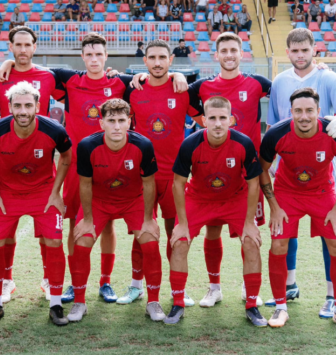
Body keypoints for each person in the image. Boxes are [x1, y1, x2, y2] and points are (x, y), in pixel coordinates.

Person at [0, 33, 188, 305]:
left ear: (106, 56)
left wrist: (177, 74)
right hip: (77, 165)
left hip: (114, 164)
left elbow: (155, 79)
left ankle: (105, 282)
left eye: (99, 54)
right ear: (82, 57)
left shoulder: (120, 82)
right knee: (76, 222)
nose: (95, 59)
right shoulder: (69, 79)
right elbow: (28, 67)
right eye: (89, 54)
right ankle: (75, 283)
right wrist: (6, 62)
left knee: (107, 224)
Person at [266, 28, 336, 318]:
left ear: (314, 50)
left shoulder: (328, 77)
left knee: (329, 234)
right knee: (285, 231)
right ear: (288, 53)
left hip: (322, 170)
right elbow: (273, 125)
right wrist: (272, 164)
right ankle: (289, 285)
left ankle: (333, 296)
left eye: (304, 50)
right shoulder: (280, 81)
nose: (299, 56)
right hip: (287, 168)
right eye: (294, 51)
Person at [260, 87, 336, 331]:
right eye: (298, 111)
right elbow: (262, 169)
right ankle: (281, 307)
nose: (304, 116)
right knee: (278, 243)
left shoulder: (334, 133)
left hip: (322, 193)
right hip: (287, 193)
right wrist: (273, 206)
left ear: (319, 111)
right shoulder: (276, 134)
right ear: (291, 111)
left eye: (309, 111)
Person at [187, 32, 271, 308]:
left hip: (248, 176)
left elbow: (288, 89)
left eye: (234, 50)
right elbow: (180, 98)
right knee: (212, 231)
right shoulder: (202, 86)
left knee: (249, 234)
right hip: (213, 172)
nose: (229, 55)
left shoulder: (257, 84)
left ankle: (251, 292)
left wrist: (316, 67)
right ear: (216, 55)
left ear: (242, 53)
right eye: (224, 50)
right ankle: (214, 288)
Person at [165, 95, 265, 326]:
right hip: (199, 198)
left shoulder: (243, 143)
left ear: (231, 120)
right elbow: (178, 183)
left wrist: (249, 222)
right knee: (179, 241)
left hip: (234, 198)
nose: (218, 123)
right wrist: (181, 223)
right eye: (212, 118)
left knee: (251, 241)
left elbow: (253, 182)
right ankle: (178, 303)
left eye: (222, 118)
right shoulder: (190, 143)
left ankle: (251, 304)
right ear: (203, 120)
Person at [0, 82, 73, 326]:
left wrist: (56, 192)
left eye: (28, 105)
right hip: (7, 193)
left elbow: (67, 156)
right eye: (18, 105)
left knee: (54, 240)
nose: (23, 111)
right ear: (9, 106)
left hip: (43, 192)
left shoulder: (54, 129)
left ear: (38, 106)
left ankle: (55, 303)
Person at [119, 40, 201, 306]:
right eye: (151, 57)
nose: (156, 62)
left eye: (162, 58)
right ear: (144, 61)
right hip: (143, 176)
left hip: (176, 176)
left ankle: (179, 289)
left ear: (171, 60)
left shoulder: (183, 90)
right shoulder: (133, 90)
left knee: (175, 233)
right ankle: (135, 286)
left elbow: (205, 121)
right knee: (143, 232)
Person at [70, 98, 163, 322]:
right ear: (101, 123)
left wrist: (149, 219)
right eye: (111, 121)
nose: (117, 126)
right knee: (82, 242)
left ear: (130, 122)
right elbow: (84, 183)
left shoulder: (143, 144)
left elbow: (149, 183)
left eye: (122, 120)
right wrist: (88, 219)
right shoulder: (87, 146)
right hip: (99, 201)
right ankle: (79, 302)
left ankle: (153, 302)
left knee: (150, 242)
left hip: (133, 200)